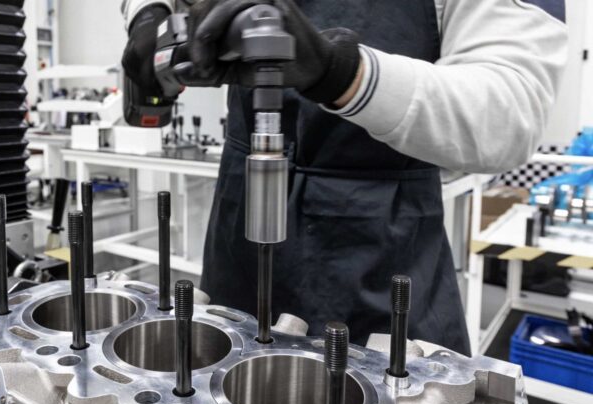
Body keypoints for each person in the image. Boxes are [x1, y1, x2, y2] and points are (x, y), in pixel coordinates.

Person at [121, 0, 568, 353]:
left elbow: (511, 112)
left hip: (379, 248)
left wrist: (340, 71)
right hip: (237, 231)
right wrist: (148, 14)